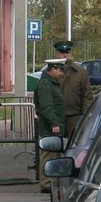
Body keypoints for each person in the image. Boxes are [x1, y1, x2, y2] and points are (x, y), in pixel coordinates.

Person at [34, 59, 66, 192]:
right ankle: (46, 183)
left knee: (53, 154)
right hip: (50, 126)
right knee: (48, 154)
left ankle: (50, 181)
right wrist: (54, 123)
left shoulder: (51, 83)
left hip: (54, 124)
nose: (61, 73)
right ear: (53, 69)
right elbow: (47, 107)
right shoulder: (46, 84)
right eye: (59, 70)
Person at [53, 40, 94, 138]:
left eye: (67, 52)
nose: (65, 55)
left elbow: (87, 95)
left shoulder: (80, 72)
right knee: (53, 148)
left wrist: (85, 116)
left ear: (70, 53)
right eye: (62, 52)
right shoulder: (50, 72)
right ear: (57, 53)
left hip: (75, 116)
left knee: (74, 147)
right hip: (55, 117)